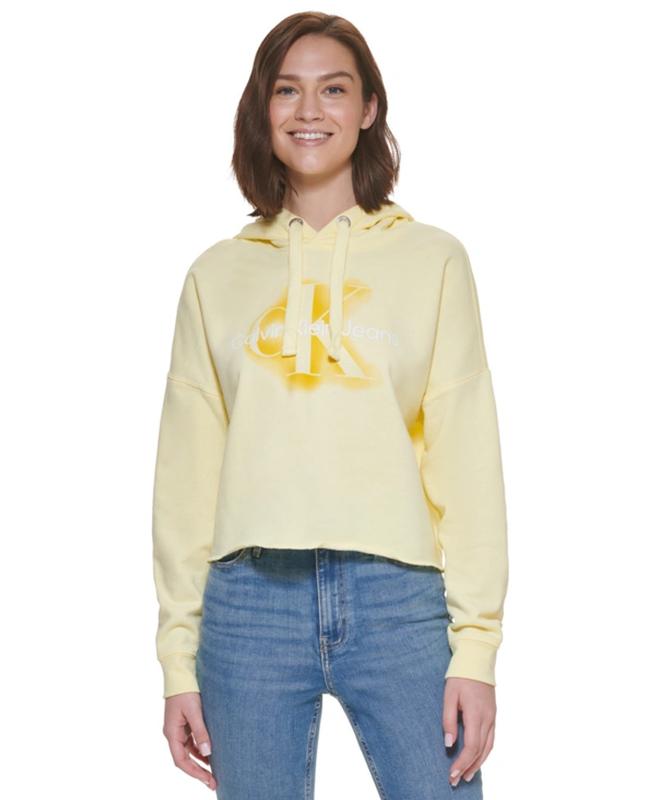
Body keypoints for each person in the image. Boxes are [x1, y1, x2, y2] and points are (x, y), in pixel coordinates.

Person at [151, 11, 509, 800]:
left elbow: (465, 456)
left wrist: (476, 652)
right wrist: (178, 660)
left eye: (334, 89)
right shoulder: (216, 276)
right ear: (263, 108)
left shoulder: (432, 260)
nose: (309, 110)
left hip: (399, 598)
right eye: (287, 90)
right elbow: (186, 478)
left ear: (369, 107)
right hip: (246, 606)